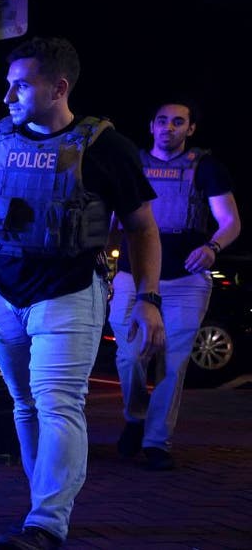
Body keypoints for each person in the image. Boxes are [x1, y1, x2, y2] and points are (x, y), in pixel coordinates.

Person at [0, 36, 165, 550]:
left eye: (20, 86)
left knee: (59, 403)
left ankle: (46, 525)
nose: (7, 97)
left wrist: (148, 298)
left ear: (58, 88)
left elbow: (143, 227)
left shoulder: (105, 147)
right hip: (0, 296)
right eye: (7, 86)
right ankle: (42, 508)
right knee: (25, 404)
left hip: (69, 292)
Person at [108, 100, 241, 470]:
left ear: (191, 129)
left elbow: (230, 220)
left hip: (185, 280)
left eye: (178, 122)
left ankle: (157, 442)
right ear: (151, 125)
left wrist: (213, 247)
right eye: (162, 121)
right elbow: (110, 215)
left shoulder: (206, 167)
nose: (169, 128)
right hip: (133, 277)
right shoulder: (131, 163)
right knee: (130, 356)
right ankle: (135, 417)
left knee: (173, 362)